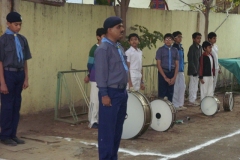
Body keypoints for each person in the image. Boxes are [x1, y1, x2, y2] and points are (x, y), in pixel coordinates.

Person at [94, 16, 128, 160]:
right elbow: (101, 74)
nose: (122, 29)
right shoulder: (103, 48)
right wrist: (104, 94)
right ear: (109, 30)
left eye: (122, 26)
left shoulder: (118, 47)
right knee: (107, 131)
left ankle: (113, 157)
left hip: (121, 92)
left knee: (116, 130)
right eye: (118, 27)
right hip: (110, 93)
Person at [0, 12, 32, 146]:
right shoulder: (2, 40)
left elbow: (24, 60)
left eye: (20, 25)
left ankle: (13, 134)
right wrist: (2, 83)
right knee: (7, 105)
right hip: (8, 74)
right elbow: (0, 62)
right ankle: (5, 135)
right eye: (15, 24)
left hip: (19, 74)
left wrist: (26, 78)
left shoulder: (22, 39)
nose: (18, 27)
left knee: (16, 105)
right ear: (8, 23)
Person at [84, 28, 105, 129]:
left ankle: (100, 119)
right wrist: (90, 75)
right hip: (95, 77)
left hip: (104, 78)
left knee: (102, 99)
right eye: (103, 36)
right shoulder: (94, 49)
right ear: (98, 37)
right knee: (94, 100)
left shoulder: (107, 48)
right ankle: (92, 121)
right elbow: (89, 64)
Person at [156, 33, 179, 102]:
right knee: (162, 93)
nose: (168, 41)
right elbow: (158, 64)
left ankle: (169, 110)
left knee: (170, 93)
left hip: (172, 72)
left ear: (172, 41)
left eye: (170, 39)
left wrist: (174, 77)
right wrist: (165, 77)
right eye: (166, 39)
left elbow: (177, 65)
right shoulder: (160, 50)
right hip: (163, 73)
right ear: (164, 41)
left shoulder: (175, 50)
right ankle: (161, 110)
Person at [172, 31, 187, 111]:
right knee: (176, 87)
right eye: (178, 37)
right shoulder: (173, 48)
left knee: (182, 86)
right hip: (175, 70)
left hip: (181, 70)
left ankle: (181, 104)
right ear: (174, 38)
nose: (180, 38)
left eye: (181, 37)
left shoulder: (181, 47)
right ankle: (175, 104)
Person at [187, 32, 202, 106]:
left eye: (200, 38)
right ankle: (191, 100)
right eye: (197, 38)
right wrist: (194, 70)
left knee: (196, 86)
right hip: (193, 71)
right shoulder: (192, 48)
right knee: (192, 85)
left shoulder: (200, 47)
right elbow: (191, 60)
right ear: (193, 39)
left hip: (198, 69)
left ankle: (194, 99)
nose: (199, 40)